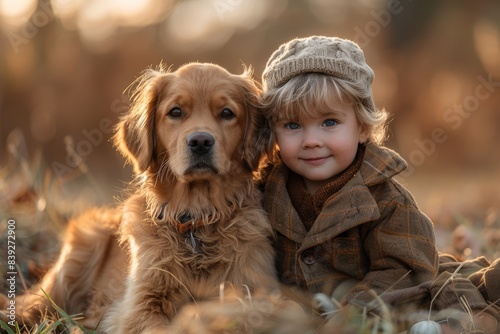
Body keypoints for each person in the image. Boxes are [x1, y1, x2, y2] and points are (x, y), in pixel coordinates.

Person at [259, 36, 499, 331]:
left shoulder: (385, 199)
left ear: (362, 127)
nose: (311, 141)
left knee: (461, 289)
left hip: (397, 295)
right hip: (319, 305)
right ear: (273, 132)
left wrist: (350, 317)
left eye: (330, 122)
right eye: (293, 125)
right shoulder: (266, 191)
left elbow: (403, 269)